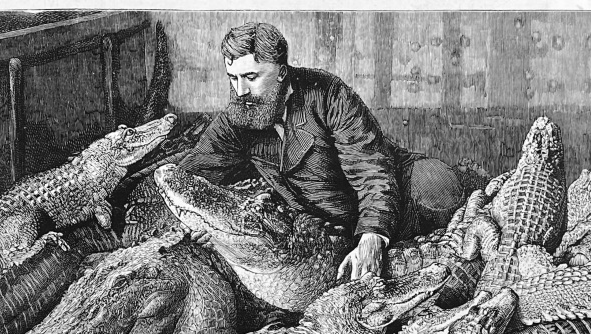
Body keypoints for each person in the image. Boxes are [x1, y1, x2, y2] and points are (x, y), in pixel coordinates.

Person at [178, 22, 465, 280]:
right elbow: (190, 176)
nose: (240, 91)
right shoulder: (239, 115)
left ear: (281, 72)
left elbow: (370, 168)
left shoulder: (327, 93)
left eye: (251, 77)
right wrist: (199, 220)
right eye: (233, 78)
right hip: (326, 232)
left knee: (436, 183)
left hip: (390, 200)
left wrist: (373, 234)